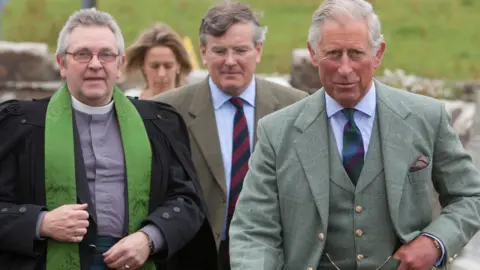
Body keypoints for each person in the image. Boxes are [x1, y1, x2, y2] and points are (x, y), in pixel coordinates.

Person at [228, 0, 480, 269]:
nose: (345, 69)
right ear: (313, 53)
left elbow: (470, 196)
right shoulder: (276, 132)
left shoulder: (426, 118)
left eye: (356, 53)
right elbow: (254, 231)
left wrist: (434, 242)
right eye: (334, 53)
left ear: (378, 53)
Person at [0, 8, 217, 270]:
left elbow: (187, 201)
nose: (95, 64)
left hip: (135, 259)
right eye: (82, 54)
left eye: (106, 54)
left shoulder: (158, 124)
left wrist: (149, 238)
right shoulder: (22, 125)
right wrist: (40, 223)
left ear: (120, 64)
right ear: (62, 64)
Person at [151, 2, 308, 269]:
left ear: (258, 51)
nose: (230, 61)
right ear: (203, 53)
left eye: (241, 50)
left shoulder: (295, 107)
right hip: (195, 256)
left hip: (271, 255)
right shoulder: (168, 111)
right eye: (219, 51)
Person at [123, 23, 192, 99]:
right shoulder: (130, 101)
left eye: (168, 66)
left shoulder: (191, 104)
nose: (161, 74)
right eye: (154, 66)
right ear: (143, 66)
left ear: (178, 65)